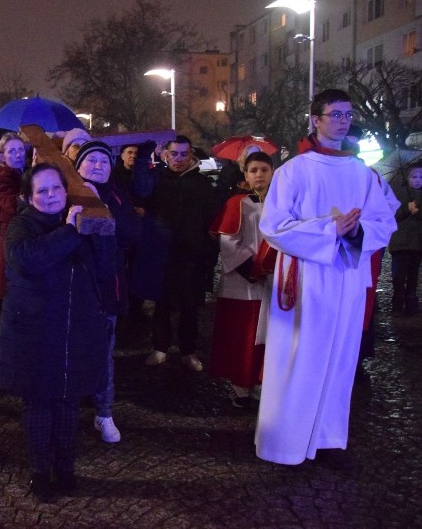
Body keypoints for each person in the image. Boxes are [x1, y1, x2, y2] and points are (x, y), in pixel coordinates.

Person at [255, 89, 397, 467]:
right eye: (334, 114)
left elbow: (384, 222)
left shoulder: (362, 173)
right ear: (315, 120)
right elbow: (274, 226)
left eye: (347, 114)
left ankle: (328, 439)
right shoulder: (293, 170)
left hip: (346, 275)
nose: (343, 121)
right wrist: (328, 230)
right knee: (301, 356)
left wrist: (354, 233)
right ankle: (285, 441)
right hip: (305, 277)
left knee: (340, 357)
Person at [0, 163, 116, 502]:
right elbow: (29, 261)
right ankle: (39, 473)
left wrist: (101, 219)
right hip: (34, 330)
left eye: (56, 189)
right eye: (43, 191)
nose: (51, 196)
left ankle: (66, 469)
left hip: (75, 325)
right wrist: (69, 230)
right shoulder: (22, 226)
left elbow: (106, 267)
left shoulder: (82, 220)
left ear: (66, 192)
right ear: (29, 196)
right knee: (39, 402)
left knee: (68, 402)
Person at [74, 140, 142, 443]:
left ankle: (104, 412)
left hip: (107, 284)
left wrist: (106, 214)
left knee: (103, 350)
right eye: (91, 161)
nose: (98, 166)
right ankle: (68, 407)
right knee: (70, 348)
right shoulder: (65, 194)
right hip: (74, 285)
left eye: (103, 161)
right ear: (79, 167)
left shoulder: (117, 195)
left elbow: (132, 234)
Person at [134, 136, 218, 372]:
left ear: (191, 154)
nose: (179, 159)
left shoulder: (202, 184)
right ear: (166, 155)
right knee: (162, 303)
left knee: (190, 306)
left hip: (192, 255)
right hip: (163, 253)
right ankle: (160, 347)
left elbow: (211, 219)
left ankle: (187, 350)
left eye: (183, 154)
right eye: (174, 154)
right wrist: (142, 157)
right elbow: (140, 188)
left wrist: (209, 252)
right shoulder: (158, 180)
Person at [209, 151, 275, 409]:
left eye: (264, 169)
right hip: (243, 282)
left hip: (272, 282)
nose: (259, 174)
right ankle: (240, 387)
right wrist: (251, 269)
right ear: (245, 175)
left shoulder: (282, 204)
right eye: (254, 170)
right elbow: (228, 241)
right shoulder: (237, 203)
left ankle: (262, 383)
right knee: (242, 335)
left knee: (269, 334)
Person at [0, 133, 27, 342]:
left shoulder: (24, 175)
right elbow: (13, 205)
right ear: (2, 155)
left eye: (21, 150)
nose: (17, 154)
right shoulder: (1, 179)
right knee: (9, 289)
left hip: (22, 236)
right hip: (10, 238)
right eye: (12, 150)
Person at [388, 163, 422, 316]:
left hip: (417, 242)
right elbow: (391, 216)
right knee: (398, 274)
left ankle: (411, 303)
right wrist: (406, 210)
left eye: (421, 177)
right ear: (407, 178)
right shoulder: (397, 194)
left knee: (413, 273)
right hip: (400, 242)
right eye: (414, 177)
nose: (418, 180)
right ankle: (397, 302)